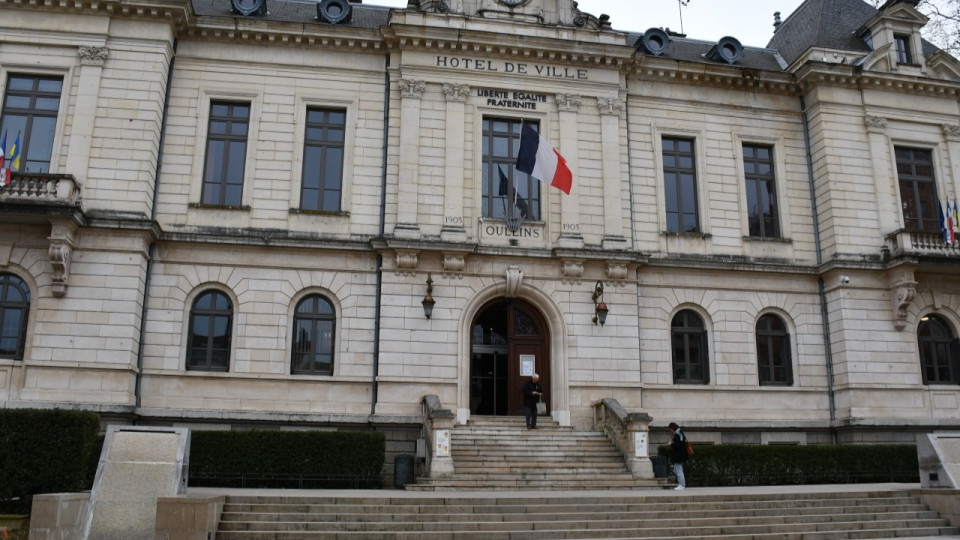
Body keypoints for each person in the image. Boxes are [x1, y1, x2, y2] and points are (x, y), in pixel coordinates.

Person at [668, 422, 688, 490]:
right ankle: (681, 483)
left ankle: (682, 484)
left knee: (679, 469)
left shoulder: (678, 434)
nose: (670, 430)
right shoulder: (679, 433)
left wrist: (671, 444)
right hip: (679, 454)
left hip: (679, 455)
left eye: (670, 429)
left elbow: (679, 445)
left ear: (673, 428)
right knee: (676, 469)